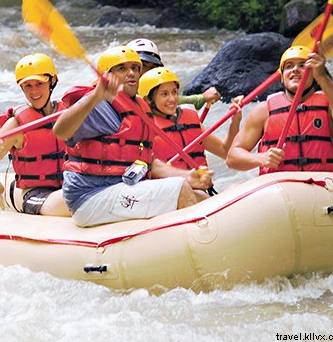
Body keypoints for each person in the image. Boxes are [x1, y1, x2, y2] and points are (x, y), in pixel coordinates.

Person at [53, 45, 213, 227]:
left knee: (198, 195)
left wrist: (186, 176)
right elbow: (61, 131)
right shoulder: (98, 103)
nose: (131, 73)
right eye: (122, 69)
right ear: (107, 75)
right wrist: (96, 97)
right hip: (91, 196)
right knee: (179, 190)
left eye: (135, 68)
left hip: (121, 189)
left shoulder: (138, 107)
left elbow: (148, 161)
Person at [226, 45, 333, 174]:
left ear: (314, 75)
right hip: (281, 185)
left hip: (323, 182)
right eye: (289, 66)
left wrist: (322, 76)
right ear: (282, 78)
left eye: (302, 65)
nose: (295, 69)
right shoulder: (263, 110)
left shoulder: (331, 103)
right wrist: (261, 158)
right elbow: (232, 157)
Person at [0, 53, 70, 216]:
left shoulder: (69, 114)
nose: (34, 91)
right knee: (74, 199)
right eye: (27, 86)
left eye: (39, 83)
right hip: (37, 195)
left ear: (52, 81)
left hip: (69, 184)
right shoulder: (16, 125)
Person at [137, 66, 242, 174]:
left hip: (203, 187)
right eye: (164, 94)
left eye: (174, 92)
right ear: (147, 100)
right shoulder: (143, 131)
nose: (172, 99)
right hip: (174, 189)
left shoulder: (189, 118)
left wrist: (235, 122)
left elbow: (225, 151)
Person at [126, 38, 221, 110]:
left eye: (152, 67)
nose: (146, 72)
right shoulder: (119, 90)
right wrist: (203, 97)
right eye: (142, 66)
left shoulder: (153, 92)